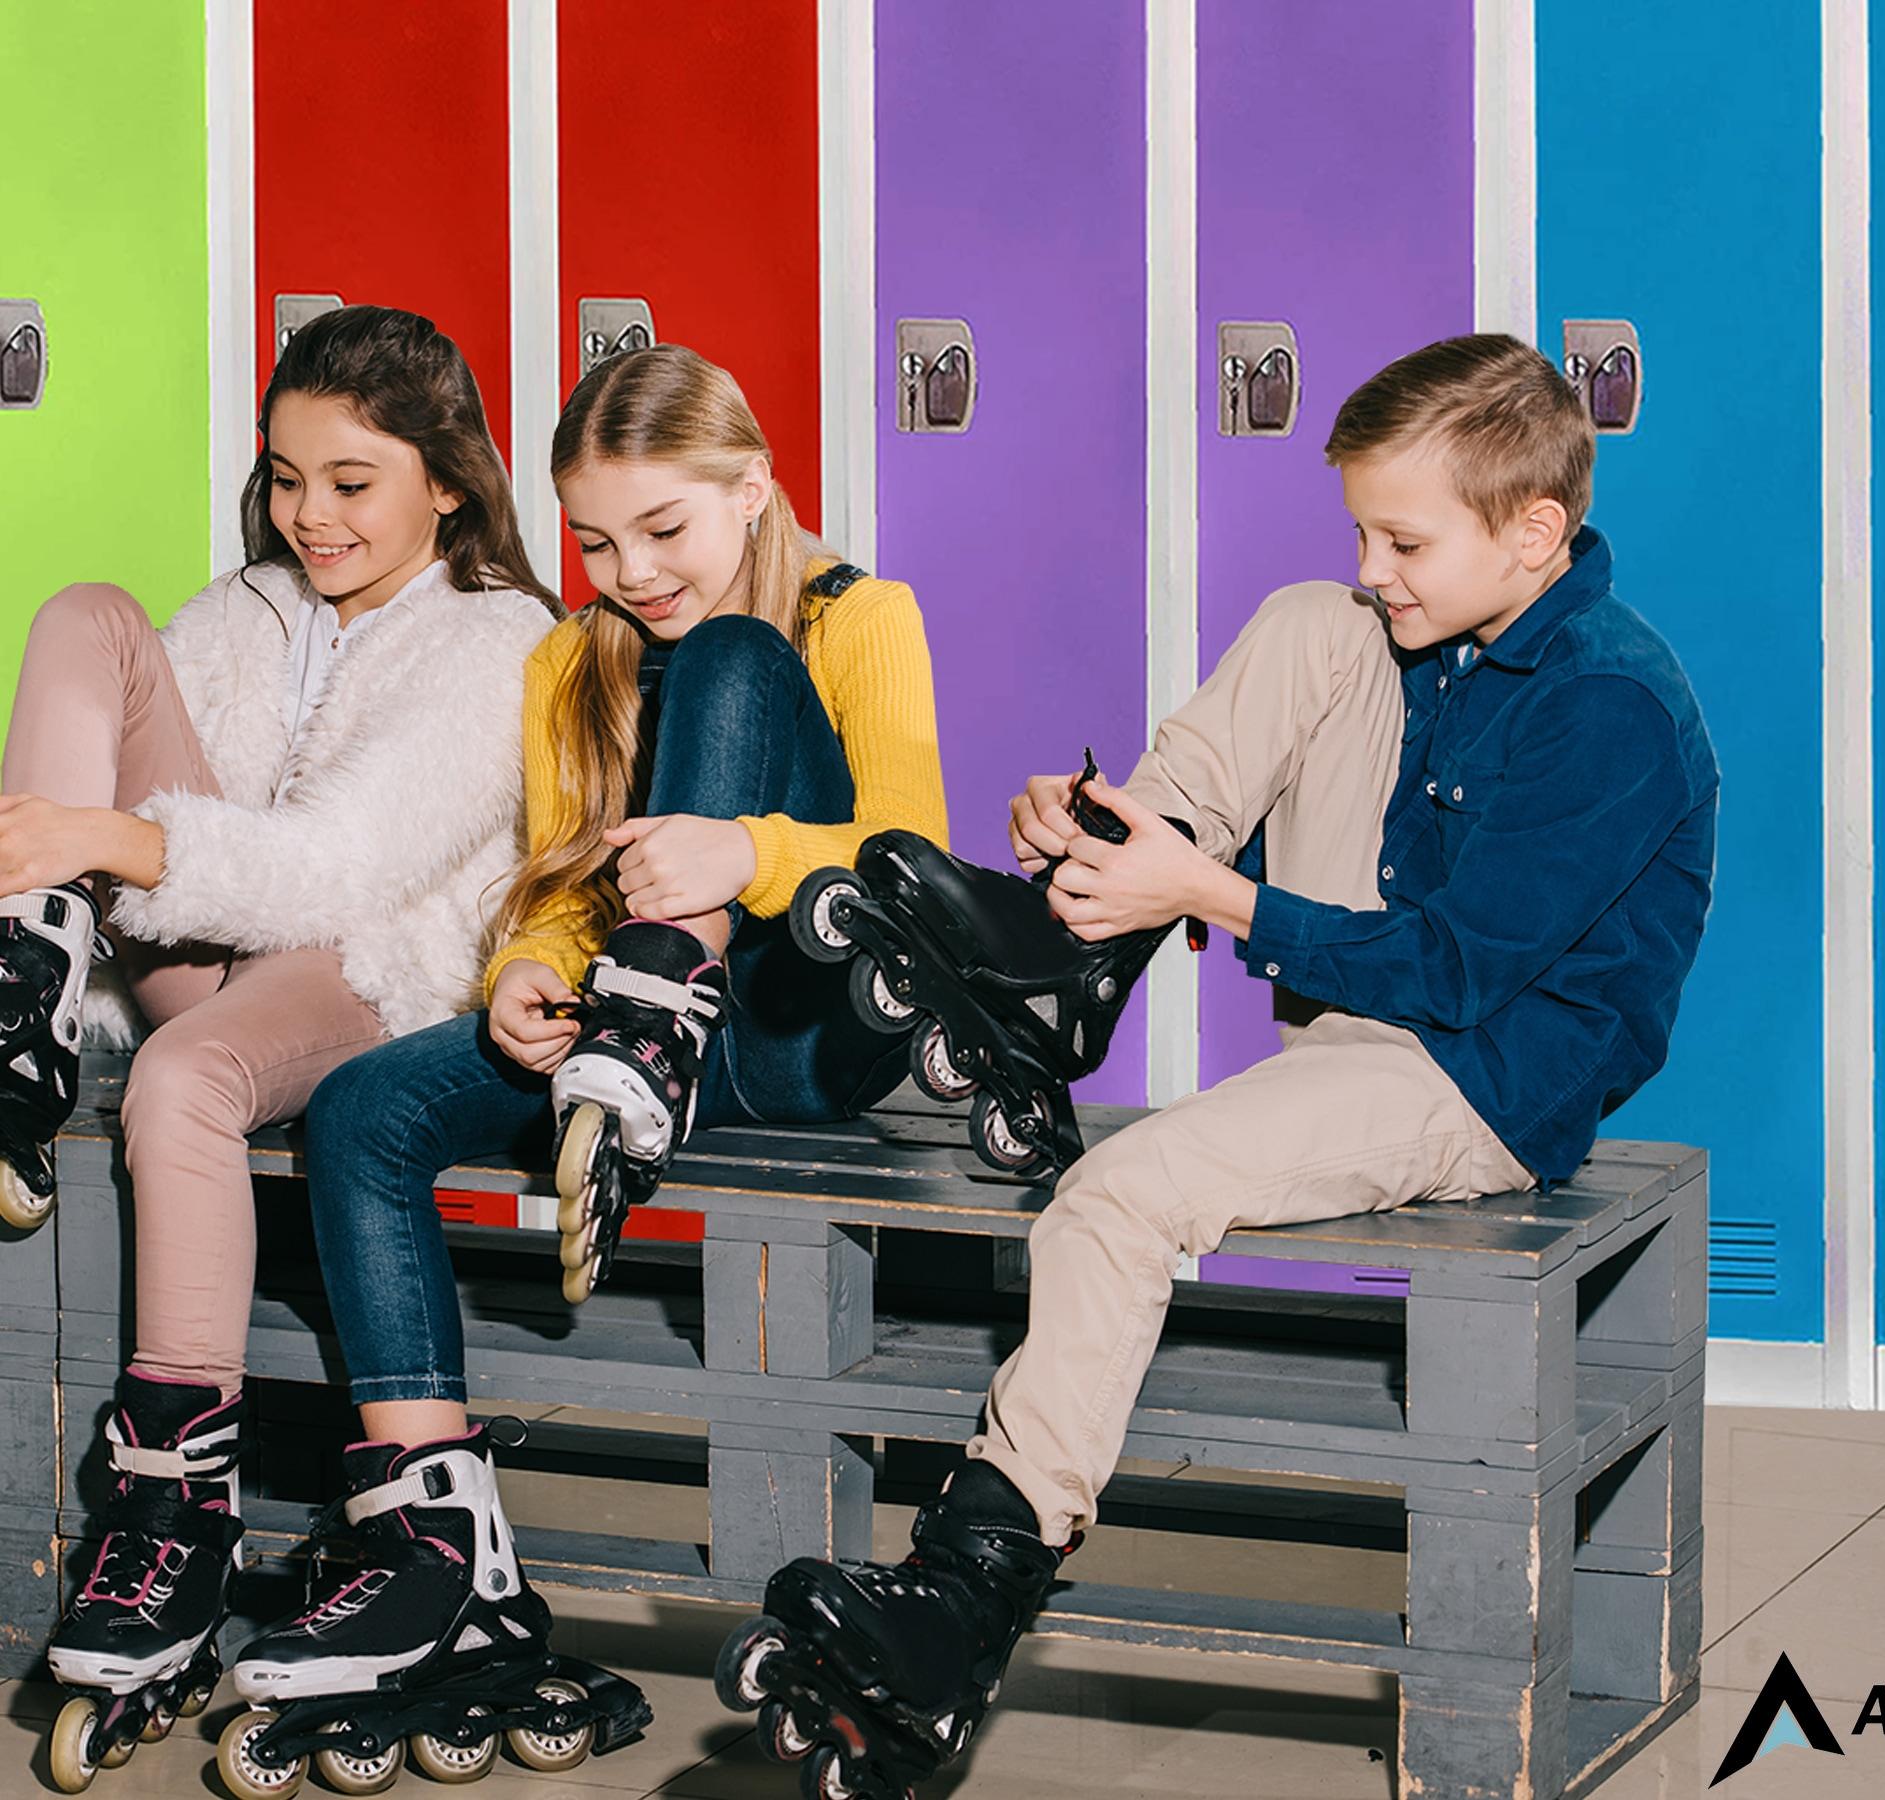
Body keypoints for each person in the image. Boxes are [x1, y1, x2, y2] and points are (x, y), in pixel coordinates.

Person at [730, 332, 1721, 1797]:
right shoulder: (1425, 629)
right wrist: (1120, 841)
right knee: (1316, 624)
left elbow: (1455, 973)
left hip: (1483, 1074)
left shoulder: (1609, 705)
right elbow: (1347, 791)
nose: (1378, 563)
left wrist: (1207, 895)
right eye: (1367, 527)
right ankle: (1070, 948)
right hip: (1382, 982)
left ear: (1535, 533)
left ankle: (966, 1598)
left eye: (1404, 536)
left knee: (1122, 1195)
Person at [223, 344, 947, 1731]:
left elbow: (911, 858)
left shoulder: (858, 615)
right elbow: (561, 883)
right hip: (617, 1036)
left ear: (753, 490)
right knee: (361, 1114)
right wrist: (527, 978)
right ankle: (446, 1552)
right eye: (599, 541)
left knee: (735, 653)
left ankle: (653, 1017)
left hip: (791, 1030)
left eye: (665, 529)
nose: (634, 572)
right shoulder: (574, 654)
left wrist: (745, 850)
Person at [0, 304, 557, 1782]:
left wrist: (95, 836)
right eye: (286, 476)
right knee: (88, 614)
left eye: (351, 482)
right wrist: (76, 860)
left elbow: (334, 871)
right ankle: (25, 986)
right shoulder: (247, 609)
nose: (310, 515)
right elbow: (174, 814)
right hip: (202, 943)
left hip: (365, 975)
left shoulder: (499, 638)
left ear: (446, 478)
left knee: (186, 1082)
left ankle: (172, 1507)